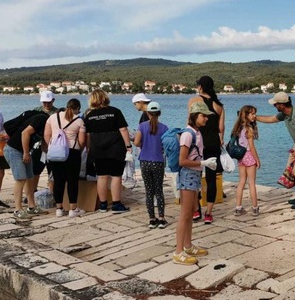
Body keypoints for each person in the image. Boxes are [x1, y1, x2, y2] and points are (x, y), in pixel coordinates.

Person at [256, 92, 295, 210]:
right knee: (290, 170)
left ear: (282, 105)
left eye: (275, 104)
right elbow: (270, 119)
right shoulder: (284, 114)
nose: (274, 106)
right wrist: (255, 117)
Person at [174, 101, 217, 265]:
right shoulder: (188, 134)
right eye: (203, 115)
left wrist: (202, 165)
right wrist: (203, 163)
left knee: (191, 211)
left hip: (195, 175)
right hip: (188, 175)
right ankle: (178, 252)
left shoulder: (197, 132)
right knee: (185, 214)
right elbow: (182, 161)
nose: (206, 119)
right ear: (194, 116)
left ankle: (188, 245)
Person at [83, 89, 131, 213]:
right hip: (115, 148)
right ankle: (116, 204)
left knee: (102, 176)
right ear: (105, 98)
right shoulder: (115, 112)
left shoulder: (89, 116)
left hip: (97, 149)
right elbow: (123, 130)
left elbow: (88, 135)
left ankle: (103, 205)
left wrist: (88, 149)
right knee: (116, 175)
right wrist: (128, 145)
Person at [187, 75, 225, 224]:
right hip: (213, 143)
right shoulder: (218, 105)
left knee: (195, 176)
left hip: (198, 142)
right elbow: (221, 128)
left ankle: (196, 210)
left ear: (200, 86)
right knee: (211, 178)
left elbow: (189, 122)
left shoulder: (193, 101)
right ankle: (209, 213)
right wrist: (221, 139)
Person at [3, 110, 50, 221]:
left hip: (25, 151)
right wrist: (26, 153)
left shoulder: (48, 126)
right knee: (21, 179)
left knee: (30, 177)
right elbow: (25, 133)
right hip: (14, 150)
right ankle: (18, 209)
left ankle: (31, 206)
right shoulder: (42, 119)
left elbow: (44, 144)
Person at [43, 98, 86, 218]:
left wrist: (52, 146)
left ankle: (59, 209)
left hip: (56, 152)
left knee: (58, 180)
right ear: (77, 108)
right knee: (72, 181)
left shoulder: (52, 117)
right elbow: (82, 141)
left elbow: (46, 135)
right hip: (72, 152)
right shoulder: (79, 121)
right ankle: (73, 209)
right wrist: (79, 149)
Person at [134, 101, 169, 229]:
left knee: (149, 191)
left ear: (147, 113)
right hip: (158, 161)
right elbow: (167, 145)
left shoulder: (142, 126)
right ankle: (162, 218)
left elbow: (137, 142)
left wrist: (143, 144)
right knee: (159, 190)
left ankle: (151, 219)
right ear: (159, 113)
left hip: (144, 161)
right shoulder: (164, 128)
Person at [231, 105, 261, 216]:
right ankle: (255, 208)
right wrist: (257, 159)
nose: (254, 116)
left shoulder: (238, 128)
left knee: (241, 182)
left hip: (241, 156)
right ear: (246, 115)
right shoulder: (249, 129)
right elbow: (252, 147)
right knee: (252, 183)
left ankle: (238, 208)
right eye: (252, 114)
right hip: (248, 155)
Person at [29, 90, 59, 196]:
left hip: (53, 146)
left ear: (53, 100)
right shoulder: (36, 111)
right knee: (35, 170)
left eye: (49, 102)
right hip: (38, 145)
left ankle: (52, 192)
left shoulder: (58, 113)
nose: (46, 104)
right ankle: (32, 191)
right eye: (44, 102)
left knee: (52, 170)